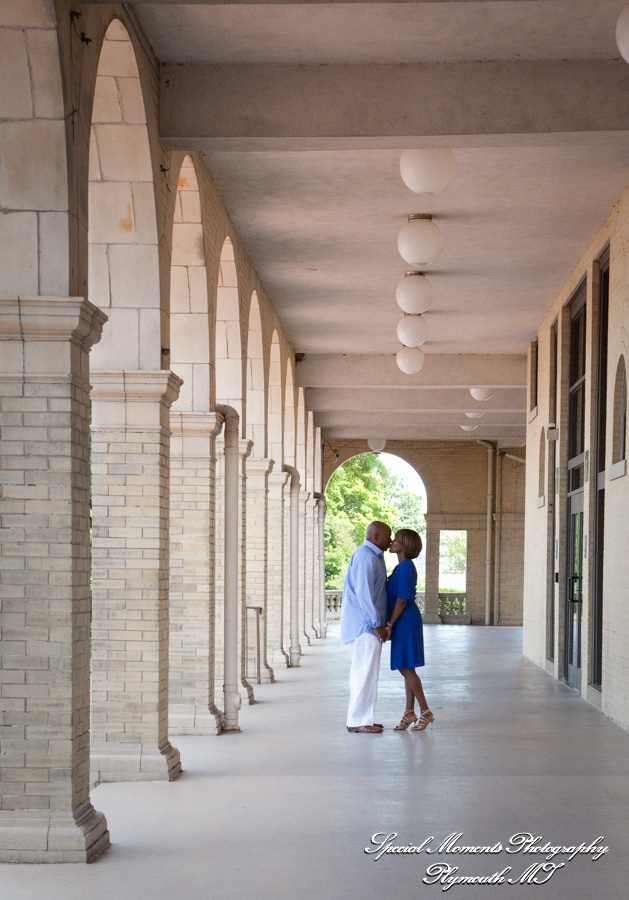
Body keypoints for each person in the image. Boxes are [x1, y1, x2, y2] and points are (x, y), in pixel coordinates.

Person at [340, 521, 392, 733]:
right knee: (363, 673)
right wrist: (376, 624)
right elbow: (364, 595)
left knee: (368, 674)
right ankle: (358, 721)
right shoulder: (365, 557)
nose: (391, 540)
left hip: (367, 626)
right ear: (376, 538)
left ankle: (364, 718)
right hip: (364, 627)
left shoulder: (374, 557)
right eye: (388, 536)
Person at [384, 528, 434, 732]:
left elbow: (402, 600)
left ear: (404, 545)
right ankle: (409, 712)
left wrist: (389, 624)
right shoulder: (401, 567)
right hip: (404, 619)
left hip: (405, 619)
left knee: (405, 668)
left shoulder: (406, 567)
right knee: (407, 667)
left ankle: (426, 711)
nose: (392, 542)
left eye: (396, 539)